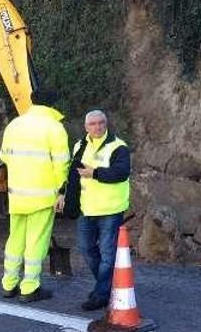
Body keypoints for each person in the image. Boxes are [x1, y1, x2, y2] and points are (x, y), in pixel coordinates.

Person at [0, 89, 70, 303]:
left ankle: (8, 284)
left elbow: (4, 156)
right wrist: (61, 191)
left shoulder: (14, 125)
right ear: (53, 106)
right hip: (43, 195)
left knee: (15, 239)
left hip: (17, 195)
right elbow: (61, 163)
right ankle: (29, 287)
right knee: (36, 241)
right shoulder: (55, 127)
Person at [57, 109, 131, 312]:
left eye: (101, 123)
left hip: (110, 208)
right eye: (93, 124)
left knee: (108, 254)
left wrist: (95, 173)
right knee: (86, 249)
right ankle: (106, 286)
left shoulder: (118, 146)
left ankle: (100, 294)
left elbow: (121, 173)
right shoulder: (80, 145)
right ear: (86, 127)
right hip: (87, 208)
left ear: (106, 124)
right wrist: (63, 192)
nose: (97, 127)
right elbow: (72, 173)